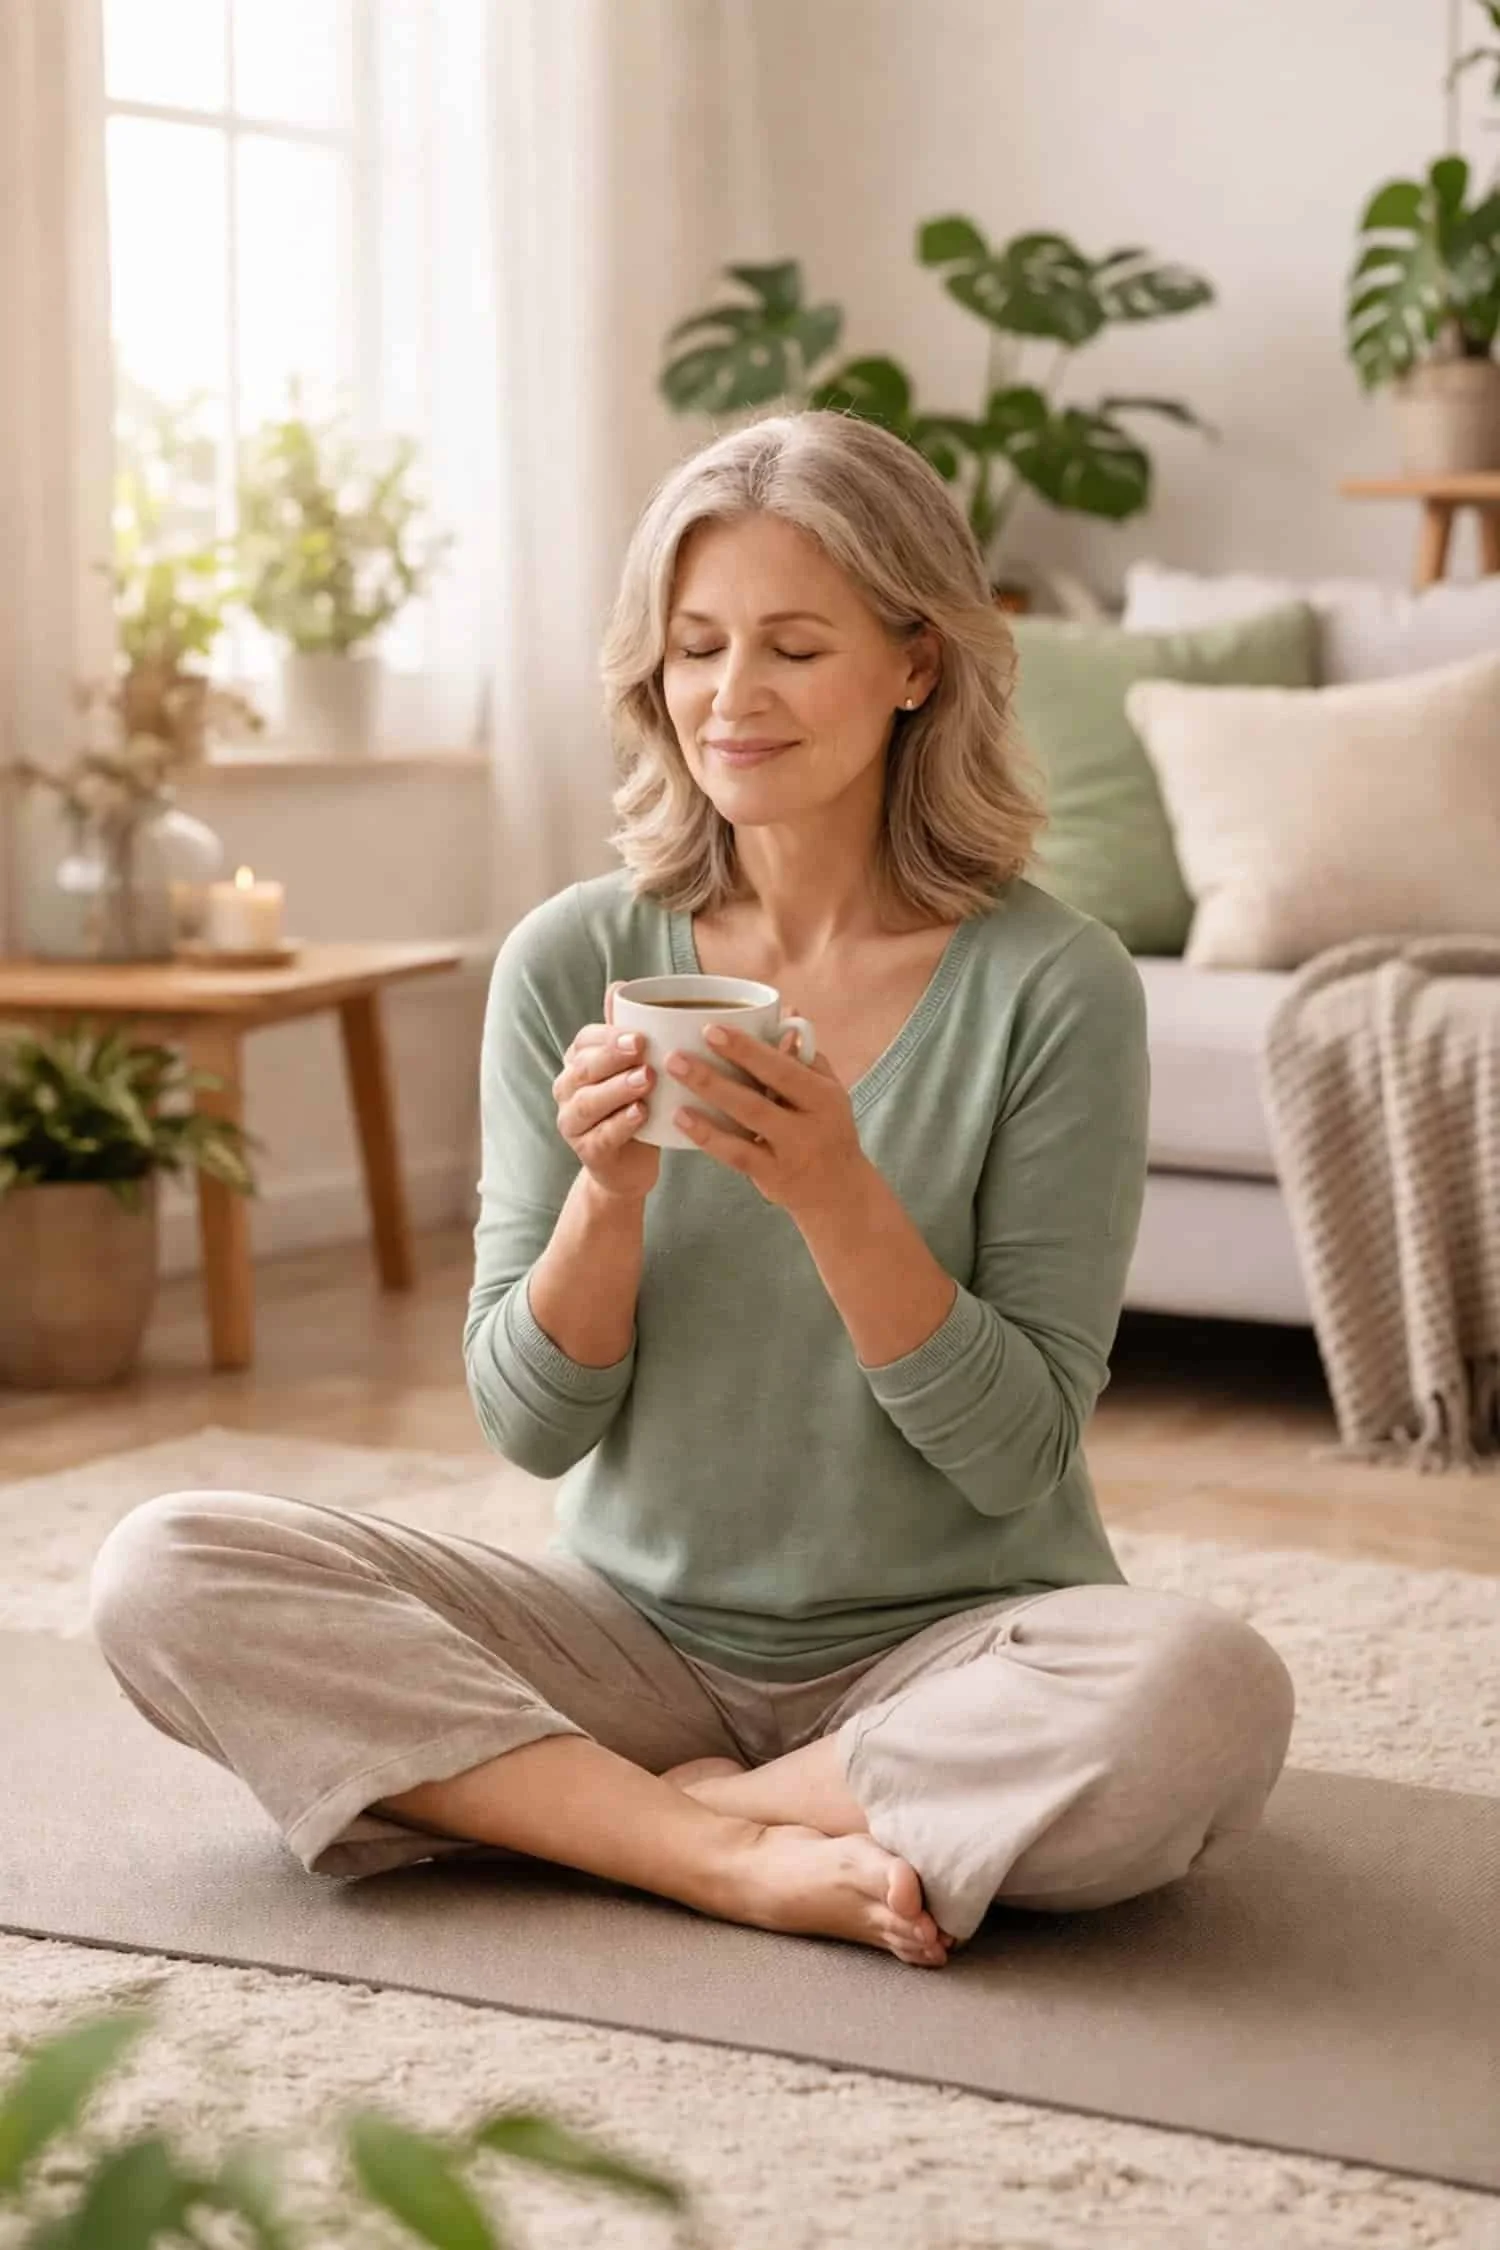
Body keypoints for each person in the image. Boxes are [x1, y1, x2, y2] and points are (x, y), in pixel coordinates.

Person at [88, 410, 1295, 1970]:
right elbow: (531, 1426)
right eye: (696, 645)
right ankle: (710, 1850)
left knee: (1205, 1692)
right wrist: (609, 1196)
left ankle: (625, 1812)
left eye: (794, 645)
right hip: (625, 1637)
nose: (732, 696)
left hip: (952, 1646)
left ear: (918, 661)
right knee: (164, 1566)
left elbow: (1015, 1455)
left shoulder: (1054, 984)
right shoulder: (571, 957)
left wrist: (838, 1190)